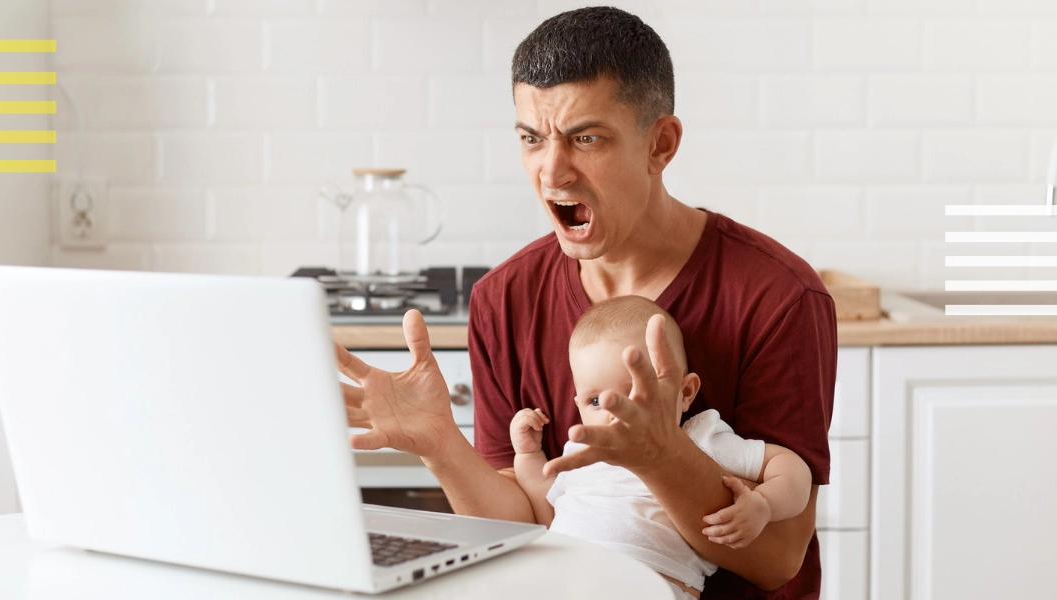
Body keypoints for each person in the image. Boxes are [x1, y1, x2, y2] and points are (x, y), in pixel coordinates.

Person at [335, 6, 837, 598]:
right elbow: (523, 523)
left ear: (661, 144)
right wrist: (442, 446)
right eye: (531, 138)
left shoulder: (777, 296)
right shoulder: (503, 299)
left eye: (586, 138)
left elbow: (778, 558)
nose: (553, 172)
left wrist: (661, 456)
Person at [509, 296, 812, 600]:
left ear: (685, 393)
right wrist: (529, 455)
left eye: (633, 393)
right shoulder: (581, 448)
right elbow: (547, 510)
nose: (614, 412)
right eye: (595, 401)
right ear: (578, 405)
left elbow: (793, 469)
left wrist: (765, 504)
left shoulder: (700, 439)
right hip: (561, 582)